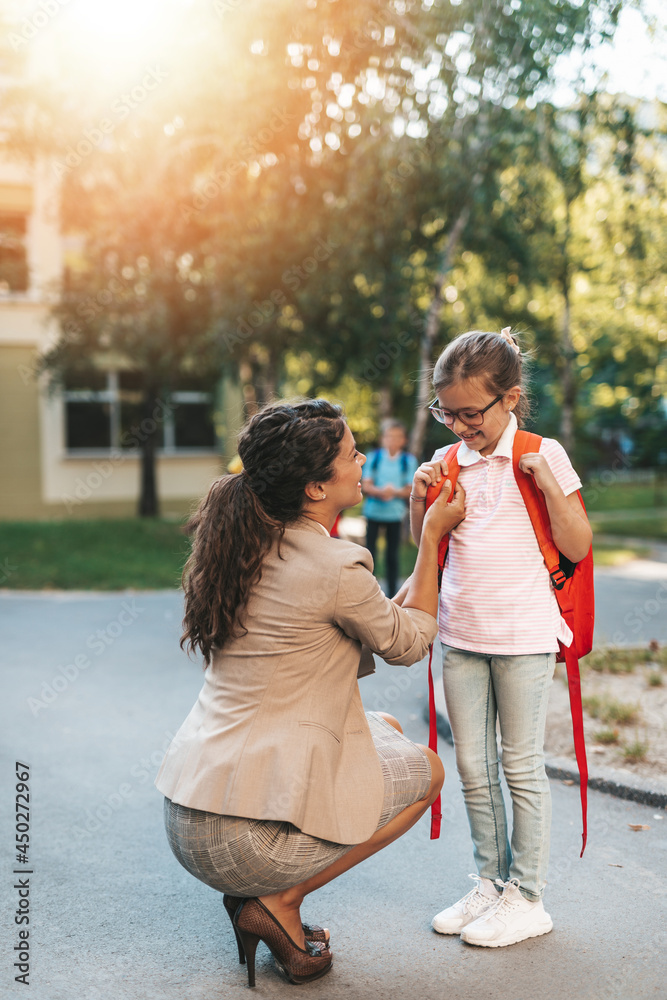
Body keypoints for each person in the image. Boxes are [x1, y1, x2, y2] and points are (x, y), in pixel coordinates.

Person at [155, 399, 465, 987]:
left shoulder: (242, 543)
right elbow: (408, 643)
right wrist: (431, 541)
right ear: (318, 487)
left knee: (388, 730)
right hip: (242, 839)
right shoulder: (332, 564)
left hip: (190, 812)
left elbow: (375, 619)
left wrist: (420, 544)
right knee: (426, 771)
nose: (364, 459)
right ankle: (279, 902)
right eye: (353, 454)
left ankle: (269, 904)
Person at [409, 329, 592, 948]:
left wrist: (544, 482)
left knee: (520, 766)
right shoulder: (449, 462)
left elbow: (577, 545)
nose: (459, 425)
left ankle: (529, 896)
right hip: (461, 632)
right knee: (472, 767)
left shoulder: (544, 452)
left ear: (510, 398)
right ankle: (490, 882)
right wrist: (420, 496)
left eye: (470, 413)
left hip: (523, 635)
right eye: (446, 412)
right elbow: (426, 545)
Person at [361, 419, 418, 596]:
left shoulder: (408, 461)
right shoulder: (374, 458)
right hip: (373, 513)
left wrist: (392, 492)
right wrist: (381, 492)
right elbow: (366, 485)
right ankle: (366, 592)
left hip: (394, 515)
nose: (392, 440)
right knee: (369, 554)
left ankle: (392, 595)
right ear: (382, 439)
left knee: (392, 557)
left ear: (404, 440)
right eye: (389, 436)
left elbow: (411, 489)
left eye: (397, 437)